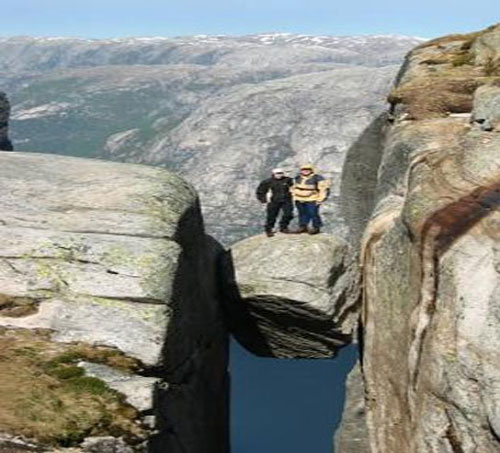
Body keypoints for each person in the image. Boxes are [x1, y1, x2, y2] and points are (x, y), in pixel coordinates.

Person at [291, 164, 330, 234]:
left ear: (311, 170)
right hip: (299, 199)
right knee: (302, 213)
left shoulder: (318, 178)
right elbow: (292, 188)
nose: (305, 171)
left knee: (313, 213)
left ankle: (316, 227)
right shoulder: (297, 178)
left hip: (312, 199)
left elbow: (323, 189)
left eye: (307, 169)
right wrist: (293, 196)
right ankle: (303, 226)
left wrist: (320, 199)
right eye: (303, 169)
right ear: (301, 170)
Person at [256, 168, 294, 237]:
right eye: (277, 173)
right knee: (271, 216)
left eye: (281, 173)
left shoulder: (288, 180)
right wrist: (263, 200)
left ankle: (283, 227)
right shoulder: (267, 181)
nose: (279, 175)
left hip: (286, 200)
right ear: (273, 174)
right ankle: (269, 229)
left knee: (289, 214)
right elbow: (260, 191)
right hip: (273, 201)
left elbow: (294, 186)